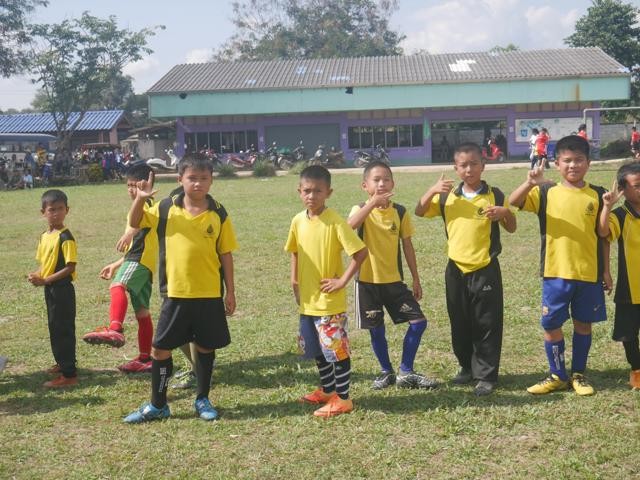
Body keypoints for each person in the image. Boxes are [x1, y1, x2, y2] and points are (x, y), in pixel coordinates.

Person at [123, 153, 237, 423]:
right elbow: (136, 222)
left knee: (206, 347)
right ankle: (158, 404)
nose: (198, 183)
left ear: (211, 181)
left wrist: (230, 291)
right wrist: (140, 199)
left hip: (209, 293)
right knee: (160, 349)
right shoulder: (165, 208)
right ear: (180, 179)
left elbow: (226, 254)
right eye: (192, 178)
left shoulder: (219, 212)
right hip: (175, 293)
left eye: (204, 178)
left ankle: (202, 398)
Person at [509, 135, 608, 396]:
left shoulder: (598, 194)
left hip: (588, 273)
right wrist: (530, 182)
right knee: (551, 325)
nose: (573, 165)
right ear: (557, 163)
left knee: (583, 324)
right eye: (567, 160)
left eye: (579, 160)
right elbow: (514, 202)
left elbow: (603, 235)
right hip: (555, 272)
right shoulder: (546, 191)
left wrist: (606, 271)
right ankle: (557, 375)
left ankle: (579, 375)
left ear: (588, 163)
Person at [415, 143, 516, 396]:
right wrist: (432, 190)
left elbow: (512, 227)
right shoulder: (447, 196)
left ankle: (486, 375)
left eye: (474, 164)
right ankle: (466, 367)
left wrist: (505, 212)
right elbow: (419, 210)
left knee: (487, 322)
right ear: (455, 168)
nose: (469, 169)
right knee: (459, 321)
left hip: (485, 267)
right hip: (455, 269)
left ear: (483, 165)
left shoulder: (495, 195)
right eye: (463, 165)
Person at [348, 161, 438, 390]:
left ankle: (406, 371)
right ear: (365, 186)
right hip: (367, 282)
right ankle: (385, 371)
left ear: (393, 184)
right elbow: (348, 227)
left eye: (386, 179)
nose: (381, 184)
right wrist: (372, 204)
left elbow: (407, 246)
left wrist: (416, 278)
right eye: (376, 180)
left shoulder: (400, 211)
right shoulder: (360, 209)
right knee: (376, 329)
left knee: (418, 322)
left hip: (394, 282)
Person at [285, 165, 367, 417]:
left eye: (318, 191)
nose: (312, 196)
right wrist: (295, 282)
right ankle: (327, 390)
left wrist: (341, 281)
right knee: (317, 349)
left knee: (336, 351)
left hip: (329, 303)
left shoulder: (335, 222)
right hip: (308, 301)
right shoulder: (298, 221)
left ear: (328, 193)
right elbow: (295, 252)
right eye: (307, 191)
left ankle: (343, 398)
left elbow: (360, 253)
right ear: (299, 191)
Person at [82, 163, 158, 373]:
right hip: (141, 263)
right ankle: (145, 359)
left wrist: (130, 231)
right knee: (142, 312)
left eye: (136, 185)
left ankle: (115, 328)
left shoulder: (148, 205)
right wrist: (116, 264)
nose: (132, 190)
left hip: (139, 261)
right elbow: (138, 238)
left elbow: (141, 223)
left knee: (117, 286)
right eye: (129, 185)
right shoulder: (139, 206)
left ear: (147, 184)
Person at [27, 189, 78, 388]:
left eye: (60, 209)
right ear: (43, 213)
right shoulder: (44, 236)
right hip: (50, 289)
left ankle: (69, 375)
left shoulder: (65, 237)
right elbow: (44, 263)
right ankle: (61, 363)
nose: (56, 213)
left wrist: (46, 280)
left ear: (67, 210)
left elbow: (70, 267)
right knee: (54, 327)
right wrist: (37, 275)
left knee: (63, 329)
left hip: (62, 289)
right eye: (51, 210)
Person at [597, 162, 640, 389]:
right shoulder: (621, 215)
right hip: (631, 287)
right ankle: (636, 369)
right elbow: (603, 232)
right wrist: (607, 206)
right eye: (637, 185)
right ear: (623, 189)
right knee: (628, 333)